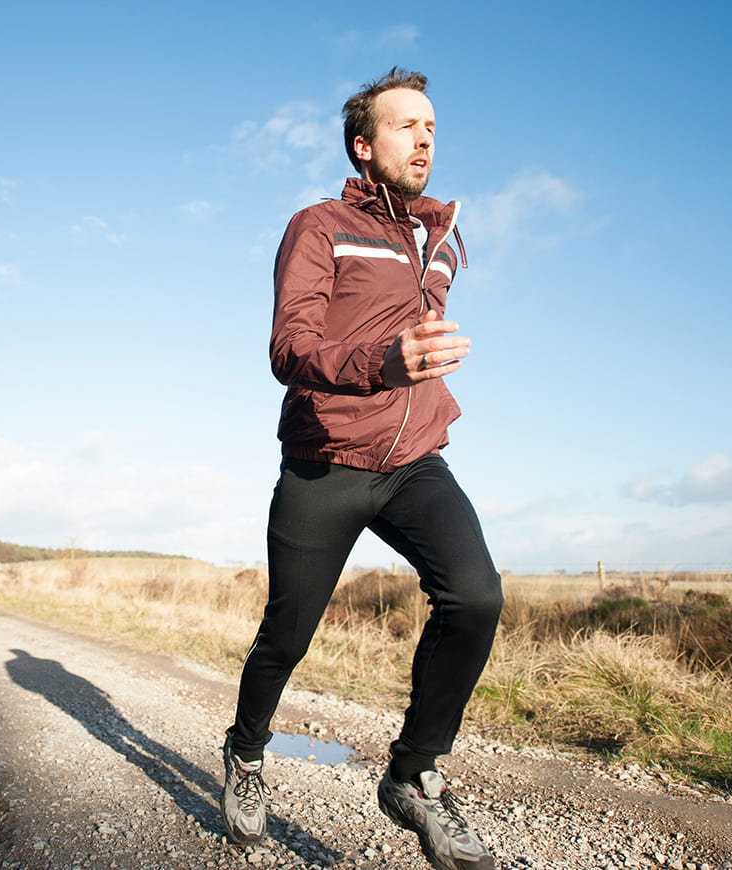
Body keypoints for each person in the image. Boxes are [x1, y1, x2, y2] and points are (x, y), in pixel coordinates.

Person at [221, 67, 502, 870]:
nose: (424, 138)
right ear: (363, 143)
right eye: (406, 125)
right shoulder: (318, 226)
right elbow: (290, 347)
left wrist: (419, 353)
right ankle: (245, 751)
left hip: (415, 457)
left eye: (433, 128)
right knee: (288, 632)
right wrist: (384, 361)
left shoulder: (440, 238)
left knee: (476, 596)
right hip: (327, 458)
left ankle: (413, 776)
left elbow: (422, 325)